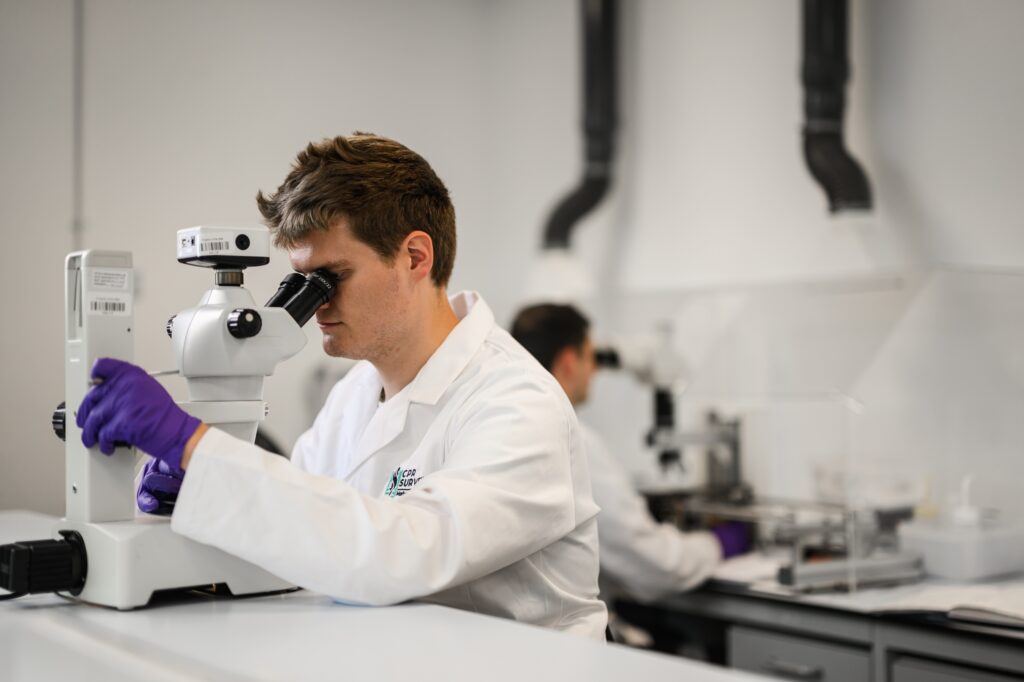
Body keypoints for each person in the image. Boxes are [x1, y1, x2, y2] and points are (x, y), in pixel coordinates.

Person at [76, 134, 607, 639]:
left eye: (331, 278)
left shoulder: (516, 401)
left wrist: (193, 445)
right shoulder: (355, 393)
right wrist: (198, 486)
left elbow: (398, 554)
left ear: (415, 257)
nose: (316, 305)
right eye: (302, 283)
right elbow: (300, 529)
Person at [510, 303, 748, 607]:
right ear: (569, 363)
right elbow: (653, 563)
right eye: (590, 357)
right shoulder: (573, 441)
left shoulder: (512, 428)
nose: (594, 371)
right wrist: (718, 544)